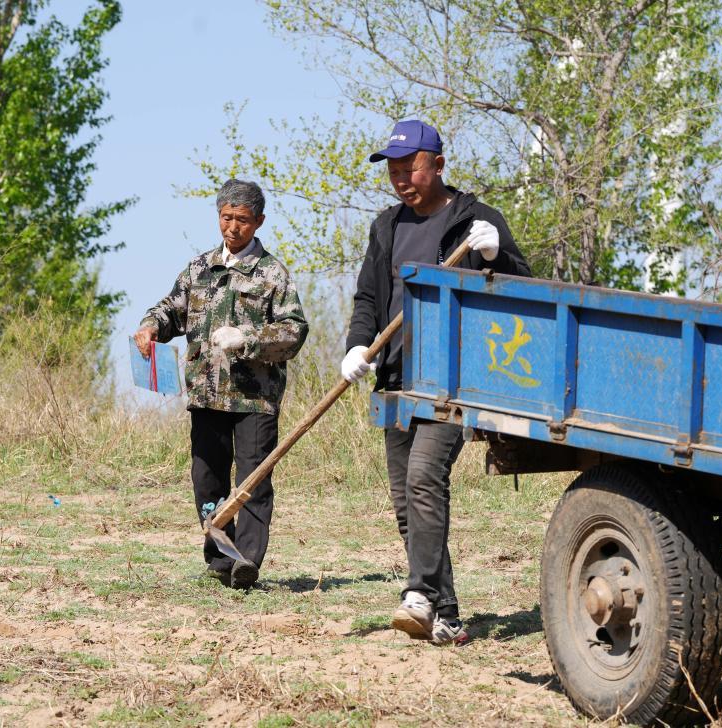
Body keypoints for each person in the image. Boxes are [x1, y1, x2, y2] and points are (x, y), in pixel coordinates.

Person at [341, 120, 531, 644]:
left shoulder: (475, 222)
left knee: (425, 477)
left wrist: (497, 258)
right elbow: (367, 298)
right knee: (407, 501)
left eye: (410, 169)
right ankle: (446, 615)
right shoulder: (387, 227)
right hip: (397, 376)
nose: (402, 180)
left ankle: (419, 593)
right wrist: (357, 346)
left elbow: (525, 297)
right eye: (394, 172)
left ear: (438, 165)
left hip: (454, 381)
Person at [134, 179, 308, 588]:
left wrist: (247, 340)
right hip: (206, 396)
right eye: (227, 218)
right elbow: (170, 310)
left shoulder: (272, 274)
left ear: (259, 221)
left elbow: (294, 331)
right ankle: (219, 557)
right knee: (207, 479)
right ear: (218, 217)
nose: (233, 228)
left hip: (254, 401)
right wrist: (150, 326)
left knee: (252, 482)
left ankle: (247, 563)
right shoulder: (199, 268)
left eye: (243, 221)